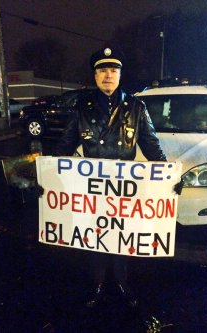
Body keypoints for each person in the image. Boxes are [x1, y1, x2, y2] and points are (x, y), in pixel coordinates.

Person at [52, 46, 167, 308]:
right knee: (94, 237)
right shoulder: (83, 107)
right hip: (92, 189)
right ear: (95, 75)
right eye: (102, 70)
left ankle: (121, 282)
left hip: (123, 190)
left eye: (113, 70)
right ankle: (98, 283)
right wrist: (48, 178)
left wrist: (167, 177)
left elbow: (151, 147)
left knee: (120, 236)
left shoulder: (137, 107)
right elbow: (65, 146)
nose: (108, 75)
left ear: (120, 74)